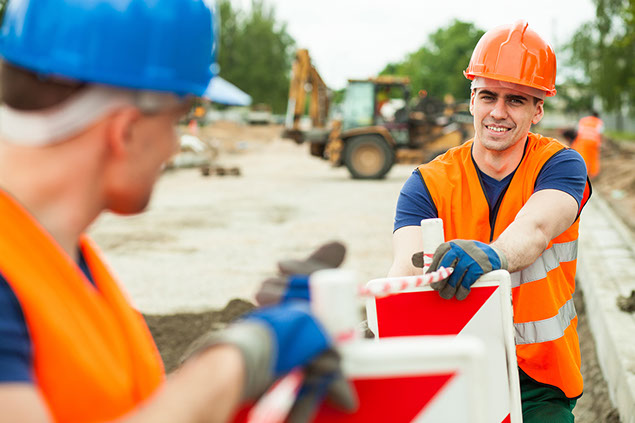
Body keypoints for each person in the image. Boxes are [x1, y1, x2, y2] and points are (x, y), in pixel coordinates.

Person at [0, 0, 353, 422]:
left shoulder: (57, 258)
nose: (172, 147)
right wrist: (236, 362)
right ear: (125, 130)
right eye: (176, 120)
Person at [388, 21, 591, 422]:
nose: (498, 112)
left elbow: (535, 229)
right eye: (488, 96)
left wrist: (491, 255)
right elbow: (404, 270)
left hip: (540, 380)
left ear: (538, 110)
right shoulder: (427, 183)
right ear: (471, 100)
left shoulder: (561, 166)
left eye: (516, 100)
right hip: (457, 371)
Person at [571, 111, 604, 178]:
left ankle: (584, 174)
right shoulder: (599, 121)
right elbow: (600, 133)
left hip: (582, 141)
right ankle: (593, 174)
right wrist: (600, 144)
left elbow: (578, 131)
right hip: (593, 141)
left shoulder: (584, 120)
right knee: (593, 157)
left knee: (583, 156)